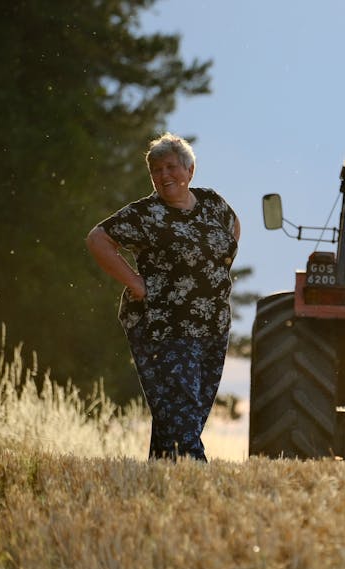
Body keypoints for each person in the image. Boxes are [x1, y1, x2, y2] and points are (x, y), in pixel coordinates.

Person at [86, 132, 240, 461]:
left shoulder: (212, 203)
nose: (163, 175)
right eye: (156, 170)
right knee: (180, 407)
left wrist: (216, 271)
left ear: (190, 170)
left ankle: (163, 475)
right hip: (165, 325)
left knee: (187, 409)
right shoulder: (145, 214)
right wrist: (136, 283)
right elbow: (98, 239)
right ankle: (196, 477)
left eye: (171, 167)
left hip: (213, 324)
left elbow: (234, 227)